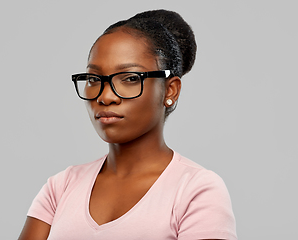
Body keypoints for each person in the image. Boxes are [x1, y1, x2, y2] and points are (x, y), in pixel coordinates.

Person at [18, 9, 237, 240]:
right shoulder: (61, 187)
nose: (105, 96)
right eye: (94, 79)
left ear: (170, 90)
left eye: (131, 78)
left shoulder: (195, 190)